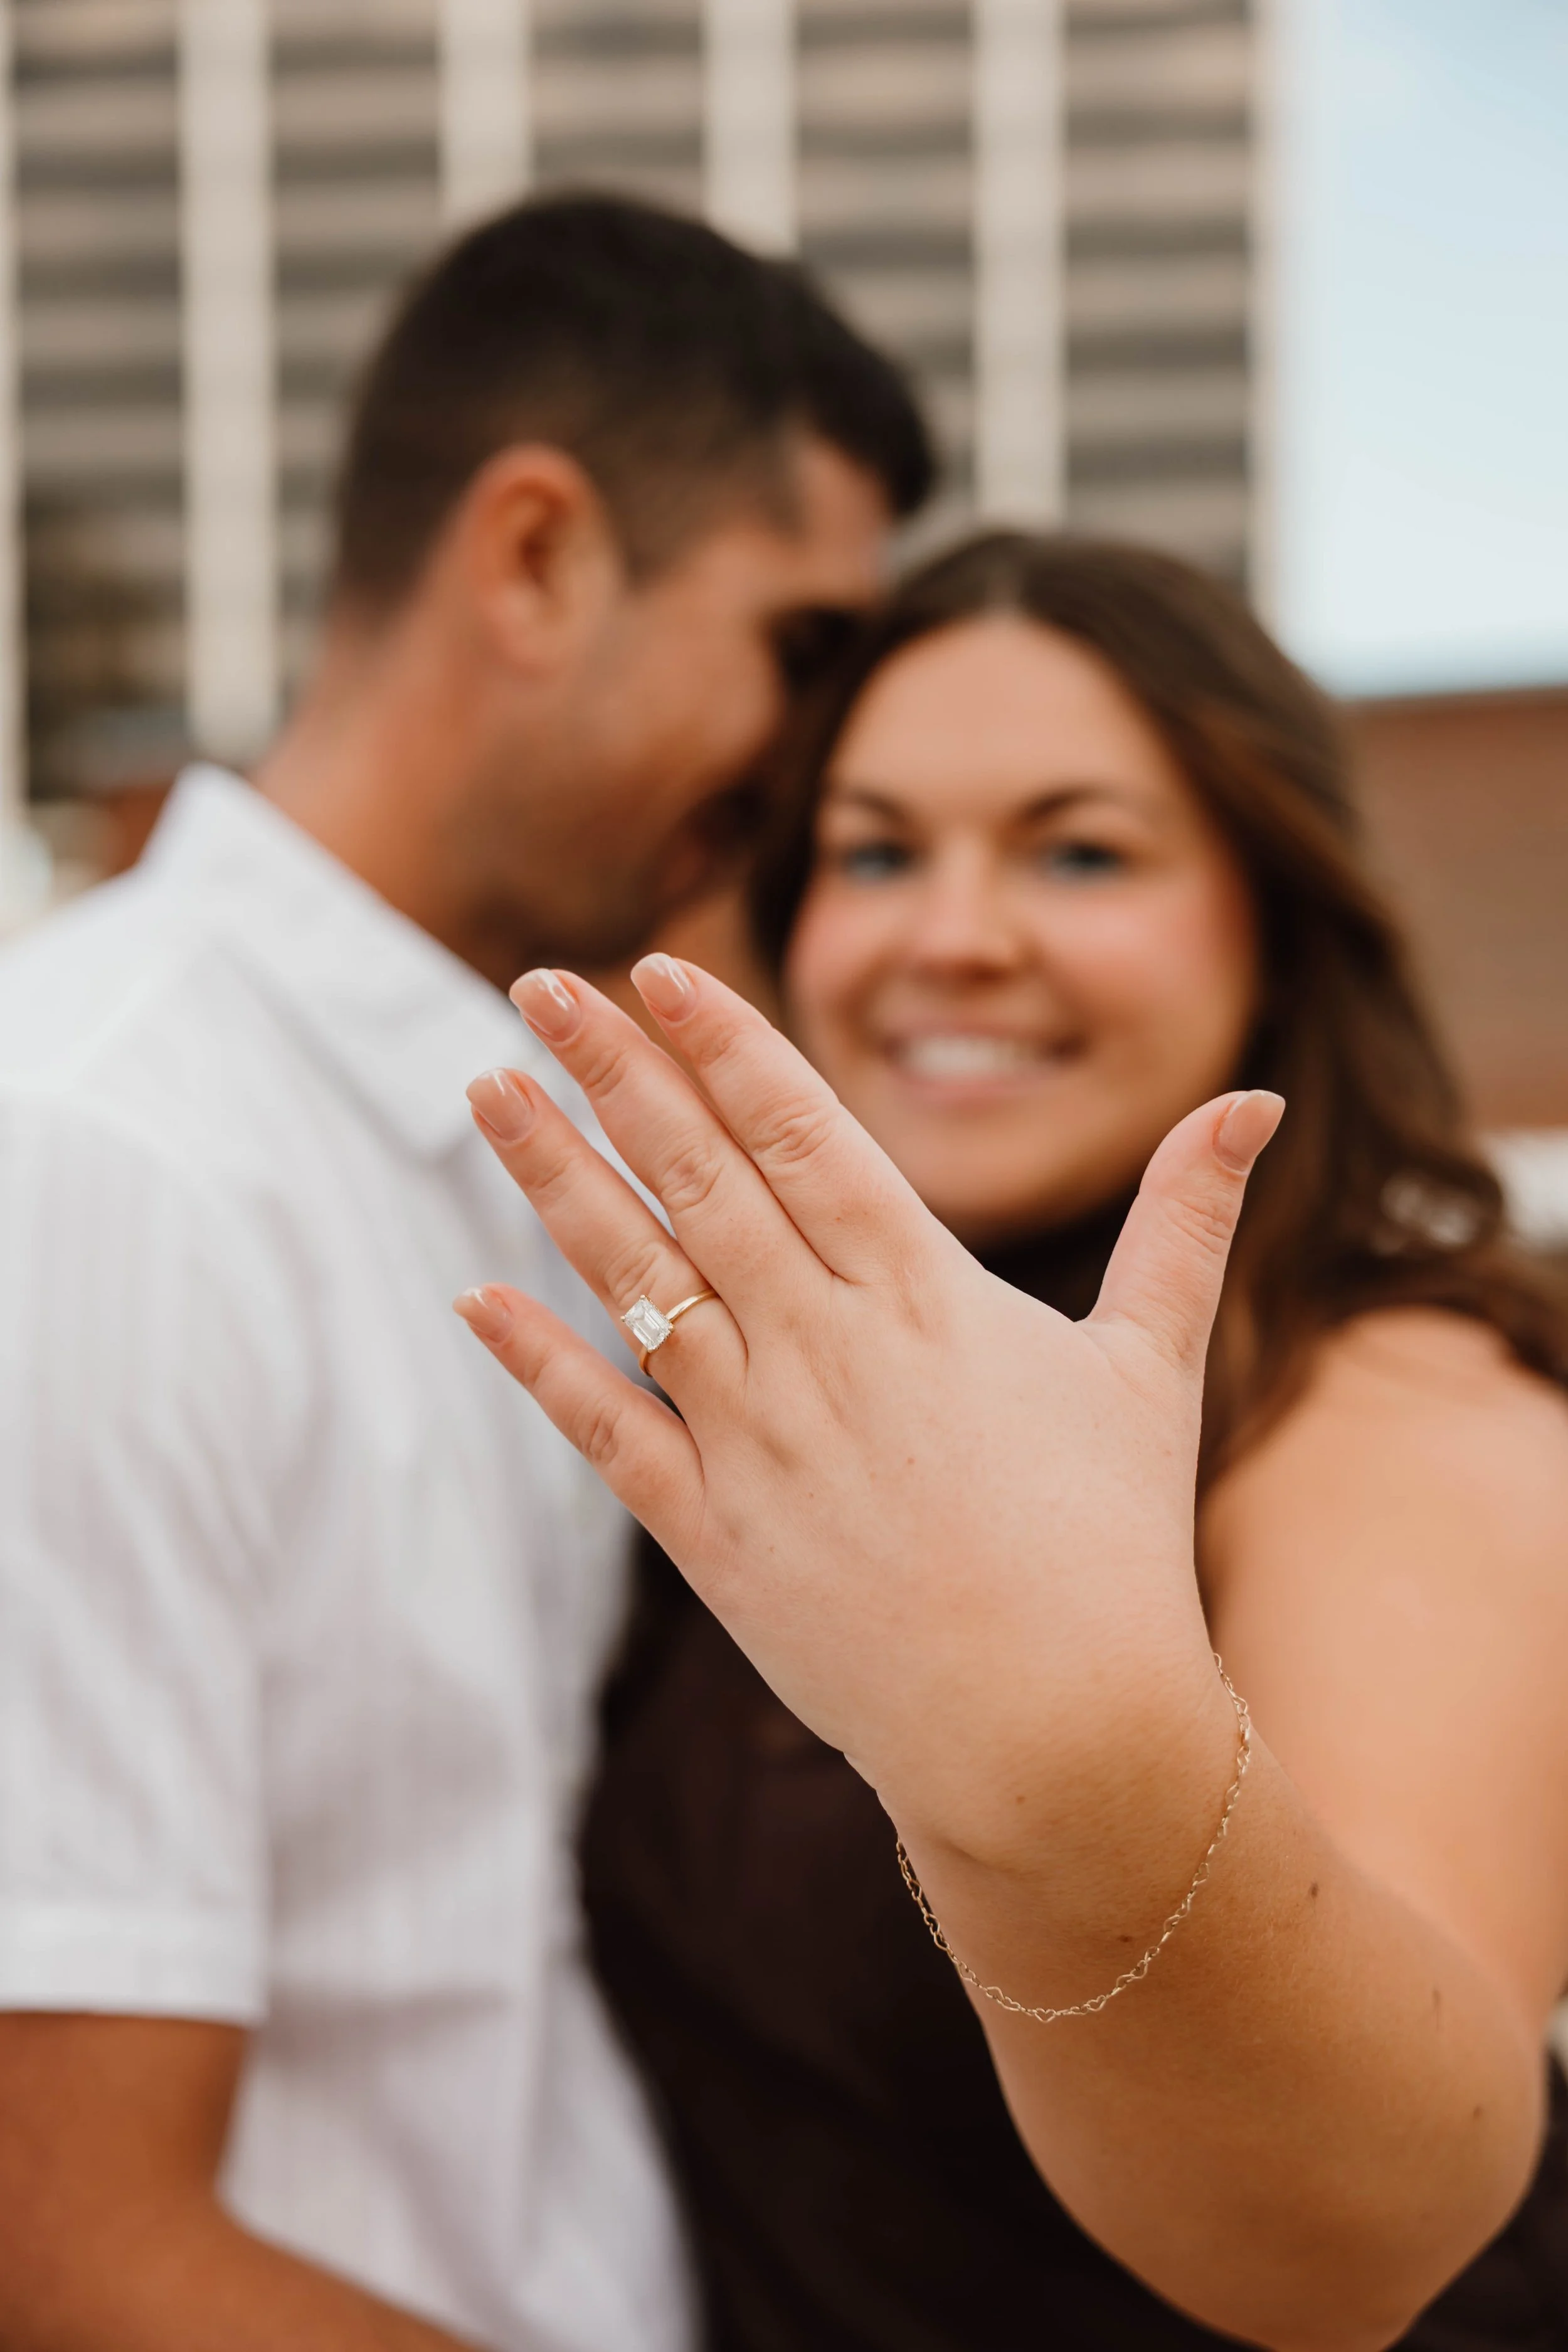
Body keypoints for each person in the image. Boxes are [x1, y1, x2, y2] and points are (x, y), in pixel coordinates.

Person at [455, 536, 1568, 2351]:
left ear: (1270, 917)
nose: (950, 935)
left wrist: (1068, 1760)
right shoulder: (803, 1384)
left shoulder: (1391, 1391)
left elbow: (1374, 2229)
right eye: (875, 850)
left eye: (1078, 851)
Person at [0, 193, 932, 2351]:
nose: (814, 763)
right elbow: (65, 2249)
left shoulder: (518, 1127)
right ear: (533, 556)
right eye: (801, 649)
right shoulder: (99, 1156)